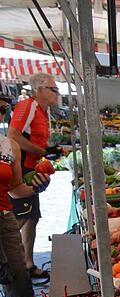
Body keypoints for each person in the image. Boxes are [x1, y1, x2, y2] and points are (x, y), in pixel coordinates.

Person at [0, 95, 49, 297]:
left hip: (4, 217)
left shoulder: (9, 146)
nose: (0, 114)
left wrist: (37, 187)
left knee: (18, 276)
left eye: (2, 109)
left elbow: (16, 188)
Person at [6, 72, 59, 284]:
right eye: (53, 89)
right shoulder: (27, 106)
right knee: (20, 217)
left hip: (31, 168)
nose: (57, 93)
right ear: (39, 90)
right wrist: (41, 151)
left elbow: (32, 138)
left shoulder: (42, 111)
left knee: (32, 216)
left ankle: (27, 263)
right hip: (20, 170)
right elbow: (13, 135)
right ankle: (10, 265)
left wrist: (48, 150)